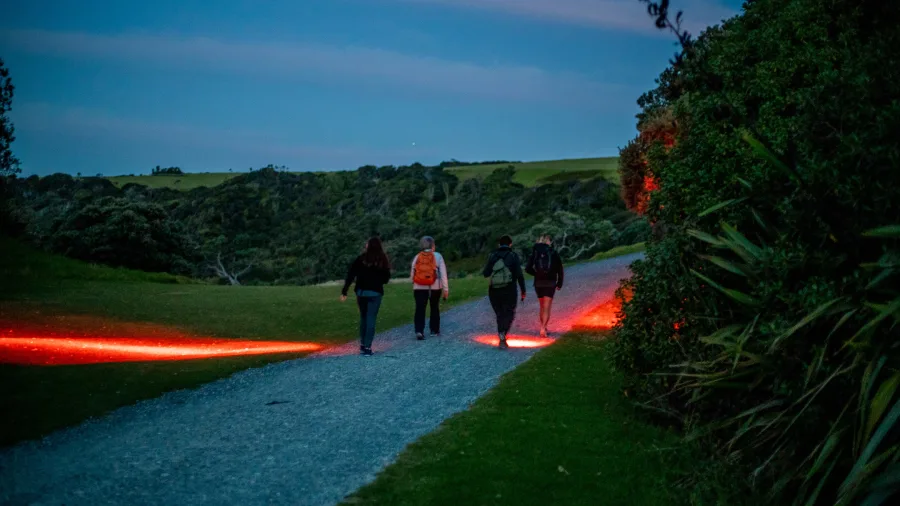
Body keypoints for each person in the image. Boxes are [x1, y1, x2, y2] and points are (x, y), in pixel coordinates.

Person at [341, 236, 392, 356]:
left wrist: (345, 290)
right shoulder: (382, 259)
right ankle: (368, 347)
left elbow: (351, 274)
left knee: (363, 318)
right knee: (371, 318)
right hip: (375, 292)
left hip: (361, 292)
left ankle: (363, 344)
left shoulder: (361, 259)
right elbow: (386, 278)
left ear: (368, 245)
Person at [482, 235, 526, 349]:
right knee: (509, 312)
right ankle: (503, 333)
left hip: (494, 290)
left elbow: (486, 273)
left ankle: (501, 334)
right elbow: (519, 275)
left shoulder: (493, 256)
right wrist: (523, 290)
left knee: (499, 313)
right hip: (509, 289)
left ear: (499, 245)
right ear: (510, 244)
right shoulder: (513, 256)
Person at [524, 234, 564, 338]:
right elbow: (560, 269)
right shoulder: (553, 252)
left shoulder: (535, 253)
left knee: (542, 306)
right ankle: (543, 327)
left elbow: (527, 268)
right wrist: (559, 283)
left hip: (539, 283)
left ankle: (543, 327)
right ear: (549, 242)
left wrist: (536, 274)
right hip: (550, 282)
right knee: (547, 307)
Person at [410, 236, 449, 340]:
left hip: (418, 287)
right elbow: (443, 274)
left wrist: (415, 283)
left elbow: (412, 274)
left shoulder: (417, 256)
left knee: (420, 308)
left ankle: (419, 330)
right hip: (435, 287)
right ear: (433, 245)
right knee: (434, 307)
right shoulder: (438, 256)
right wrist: (446, 289)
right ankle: (434, 330)